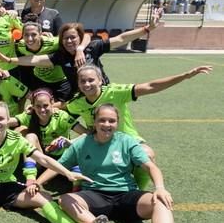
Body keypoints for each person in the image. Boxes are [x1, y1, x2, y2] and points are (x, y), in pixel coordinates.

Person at [52, 104, 210, 223]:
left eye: (111, 121)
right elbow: (56, 166)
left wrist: (160, 188)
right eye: (102, 120)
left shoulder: (126, 141)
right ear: (94, 123)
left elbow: (150, 167)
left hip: (126, 195)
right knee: (65, 199)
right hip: (95, 195)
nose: (107, 124)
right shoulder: (82, 143)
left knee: (160, 200)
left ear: (117, 123)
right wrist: (35, 184)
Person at [63, 64, 212, 188]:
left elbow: (150, 86)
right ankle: (84, 181)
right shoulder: (77, 104)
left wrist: (185, 75)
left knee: (148, 154)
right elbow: (60, 113)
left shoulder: (116, 92)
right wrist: (83, 131)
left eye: (91, 80)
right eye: (83, 81)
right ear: (78, 84)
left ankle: (137, 191)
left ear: (100, 80)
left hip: (126, 140)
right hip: (99, 143)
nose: (87, 84)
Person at [0, 18, 159, 94]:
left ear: (79, 38)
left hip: (103, 91)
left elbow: (121, 38)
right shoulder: (60, 56)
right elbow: (36, 60)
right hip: (81, 95)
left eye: (72, 37)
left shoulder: (92, 47)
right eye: (65, 38)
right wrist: (10, 60)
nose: (69, 41)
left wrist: (146, 29)